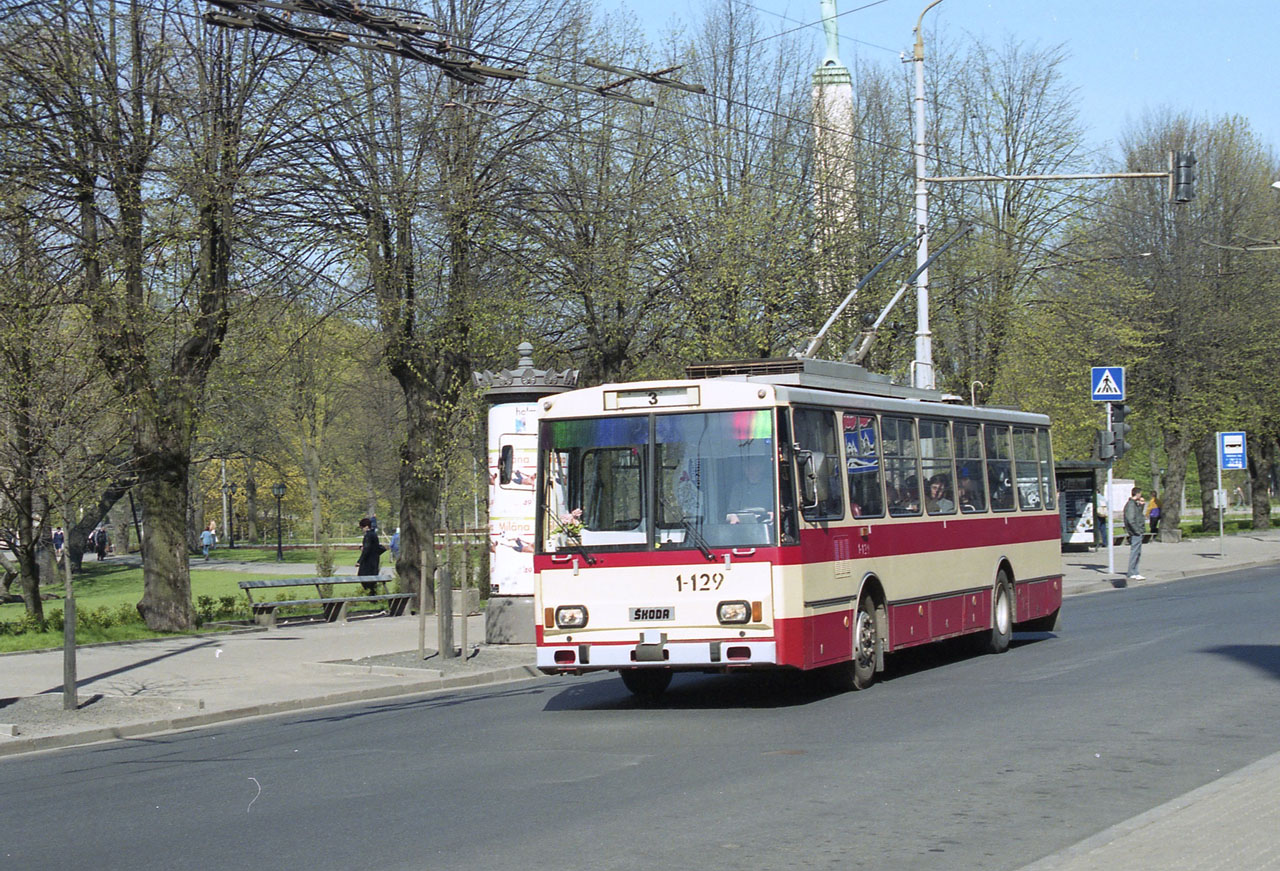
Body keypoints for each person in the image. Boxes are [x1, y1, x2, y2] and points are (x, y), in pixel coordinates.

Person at [356, 516, 386, 593]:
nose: (362, 530)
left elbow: (367, 549)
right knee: (372, 579)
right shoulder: (374, 534)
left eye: (362, 528)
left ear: (366, 527)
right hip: (375, 560)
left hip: (368, 561)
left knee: (363, 577)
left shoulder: (368, 535)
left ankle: (370, 594)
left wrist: (359, 561)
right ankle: (372, 594)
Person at [1122, 487, 1146, 581]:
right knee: (1135, 552)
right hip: (1135, 532)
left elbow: (1139, 515)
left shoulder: (1134, 505)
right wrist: (1137, 531)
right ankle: (1132, 572)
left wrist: (1141, 505)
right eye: (1140, 494)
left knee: (1137, 552)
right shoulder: (1131, 505)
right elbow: (1131, 519)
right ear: (1138, 494)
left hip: (1138, 530)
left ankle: (1135, 571)